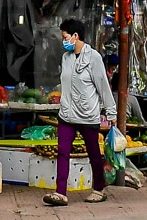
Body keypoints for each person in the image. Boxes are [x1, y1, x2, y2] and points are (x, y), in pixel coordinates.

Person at [46, 16, 116, 207]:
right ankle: (60, 193)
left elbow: (103, 85)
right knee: (62, 153)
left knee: (94, 153)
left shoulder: (94, 58)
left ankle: (99, 189)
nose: (63, 40)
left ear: (75, 36)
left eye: (65, 36)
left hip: (88, 115)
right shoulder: (66, 58)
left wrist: (111, 113)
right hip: (66, 115)